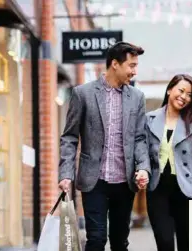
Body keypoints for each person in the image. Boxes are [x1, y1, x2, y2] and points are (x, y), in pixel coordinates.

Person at [58, 41, 151, 251]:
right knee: (96, 239)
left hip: (124, 181)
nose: (135, 71)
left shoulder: (137, 98)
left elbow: (139, 139)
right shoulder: (83, 94)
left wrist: (143, 167)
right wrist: (66, 173)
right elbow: (70, 137)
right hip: (94, 180)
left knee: (120, 242)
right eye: (132, 66)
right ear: (115, 64)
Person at [145, 74, 192, 251]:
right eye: (181, 90)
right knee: (165, 243)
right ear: (170, 90)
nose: (184, 97)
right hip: (158, 191)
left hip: (188, 193)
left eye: (189, 94)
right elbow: (141, 152)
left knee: (188, 245)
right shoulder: (149, 119)